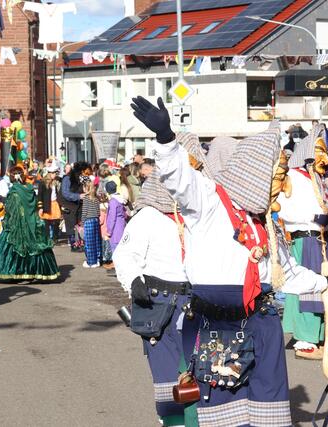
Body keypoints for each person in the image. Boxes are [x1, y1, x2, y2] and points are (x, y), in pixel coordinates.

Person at [132, 96, 304, 425]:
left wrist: (322, 286)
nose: (282, 183)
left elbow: (283, 270)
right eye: (277, 174)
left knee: (266, 406)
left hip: (260, 321)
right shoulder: (208, 201)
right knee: (221, 404)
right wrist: (166, 139)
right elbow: (181, 181)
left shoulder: (262, 221)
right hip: (214, 321)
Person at [113, 171, 191, 427]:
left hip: (194, 299)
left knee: (199, 367)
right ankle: (174, 420)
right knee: (166, 369)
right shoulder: (147, 216)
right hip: (160, 302)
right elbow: (124, 254)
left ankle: (196, 418)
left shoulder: (193, 214)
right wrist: (134, 282)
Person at [279, 124, 328, 359]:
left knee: (321, 288)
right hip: (304, 240)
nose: (323, 157)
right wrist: (312, 217)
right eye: (318, 151)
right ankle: (305, 339)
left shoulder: (319, 178)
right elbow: (283, 209)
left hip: (321, 240)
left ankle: (318, 336)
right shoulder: (292, 176)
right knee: (307, 290)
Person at [0, 166, 59, 281]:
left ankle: (18, 272)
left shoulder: (14, 192)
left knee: (16, 246)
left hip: (18, 224)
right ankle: (35, 271)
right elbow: (34, 205)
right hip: (32, 223)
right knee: (35, 246)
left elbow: (12, 211)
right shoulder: (29, 189)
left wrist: (8, 221)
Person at [61, 162, 90, 252]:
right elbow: (65, 193)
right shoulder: (67, 178)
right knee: (71, 226)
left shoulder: (81, 178)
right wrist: (78, 196)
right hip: (69, 206)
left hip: (79, 206)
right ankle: (74, 245)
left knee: (79, 225)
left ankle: (80, 244)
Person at [37, 164, 62, 242]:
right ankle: (47, 239)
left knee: (56, 221)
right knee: (47, 223)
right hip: (47, 204)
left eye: (55, 173)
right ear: (50, 173)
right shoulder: (42, 183)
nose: (55, 175)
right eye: (54, 173)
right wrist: (40, 207)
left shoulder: (56, 182)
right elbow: (40, 196)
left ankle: (55, 238)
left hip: (55, 203)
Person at [81, 178, 101, 268]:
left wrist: (82, 223)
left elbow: (84, 212)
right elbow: (98, 211)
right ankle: (98, 259)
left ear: (86, 188)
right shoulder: (96, 198)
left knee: (89, 243)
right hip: (96, 220)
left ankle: (91, 262)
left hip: (88, 221)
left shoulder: (86, 198)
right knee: (96, 241)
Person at [105, 181, 127, 254]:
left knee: (116, 252)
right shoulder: (120, 199)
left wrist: (109, 231)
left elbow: (112, 218)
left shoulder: (113, 202)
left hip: (115, 230)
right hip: (121, 226)